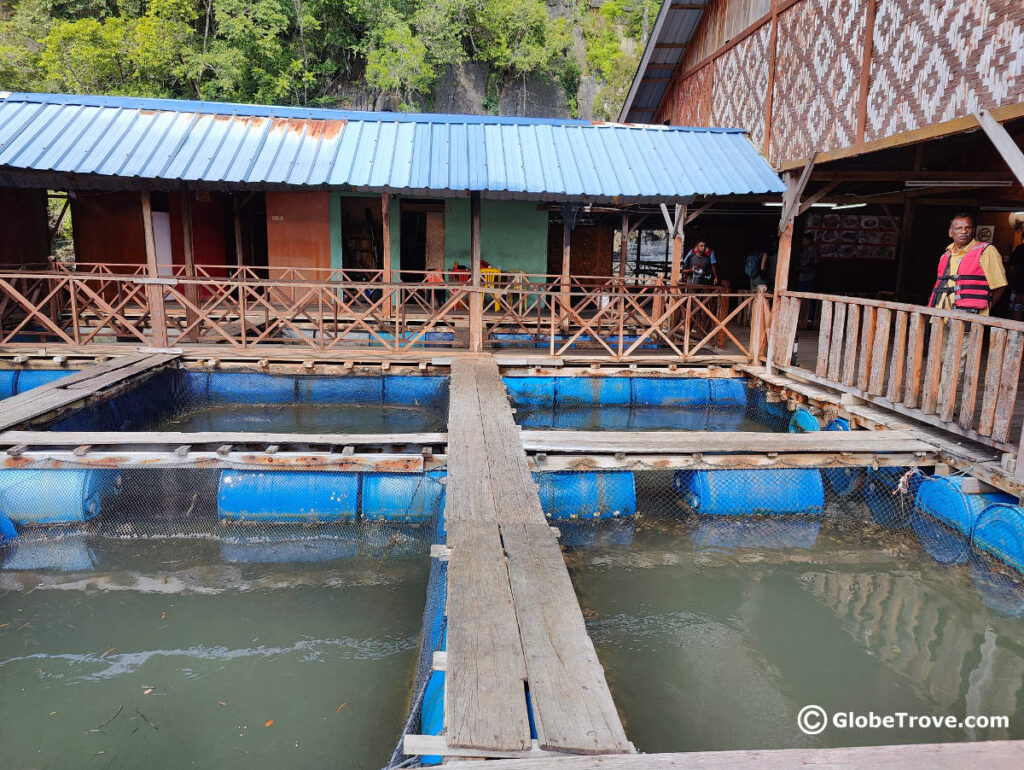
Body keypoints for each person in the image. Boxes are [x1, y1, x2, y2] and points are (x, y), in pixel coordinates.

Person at [930, 213, 1007, 411]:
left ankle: (944, 407)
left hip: (967, 317)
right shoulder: (946, 254)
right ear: (950, 232)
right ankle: (938, 402)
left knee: (955, 363)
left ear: (973, 230)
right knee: (940, 359)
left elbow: (999, 286)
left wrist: (983, 309)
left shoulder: (986, 251)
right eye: (959, 228)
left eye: (968, 228)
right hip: (942, 317)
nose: (964, 231)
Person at [797, 233, 821, 325]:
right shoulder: (804, 251)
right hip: (802, 277)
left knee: (811, 298)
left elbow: (816, 263)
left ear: (809, 241)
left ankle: (810, 318)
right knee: (799, 298)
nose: (803, 242)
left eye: (804, 240)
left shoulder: (815, 251)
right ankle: (799, 317)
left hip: (810, 277)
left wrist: (807, 264)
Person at [1009, 239, 1024, 321]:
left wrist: (1013, 278)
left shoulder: (1019, 248)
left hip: (1019, 282)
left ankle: (1016, 332)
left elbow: (1012, 266)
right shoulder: (1019, 248)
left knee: (1017, 307)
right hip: (1019, 283)